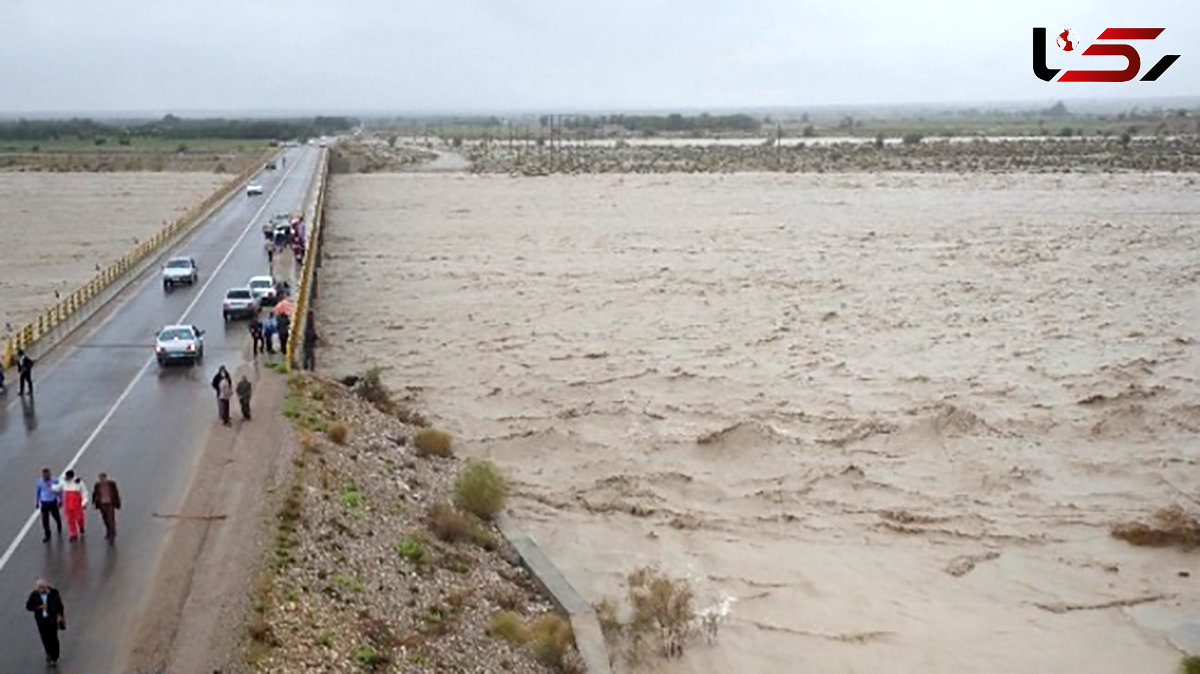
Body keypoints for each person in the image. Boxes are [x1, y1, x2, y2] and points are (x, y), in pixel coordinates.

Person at [26, 578, 65, 667]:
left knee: (53, 638)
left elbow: (59, 605)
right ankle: (49, 653)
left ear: (46, 586)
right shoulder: (34, 595)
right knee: (45, 638)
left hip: (51, 620)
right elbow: (28, 607)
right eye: (39, 588)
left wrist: (61, 617)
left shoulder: (53, 593)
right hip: (41, 621)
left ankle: (54, 657)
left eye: (42, 587)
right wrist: (39, 607)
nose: (41, 589)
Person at [92, 472, 121, 541]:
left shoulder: (111, 484)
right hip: (102, 505)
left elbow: (116, 493)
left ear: (106, 478)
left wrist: (118, 502)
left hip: (110, 504)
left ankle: (112, 534)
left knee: (111, 519)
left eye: (103, 478)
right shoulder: (97, 485)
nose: (102, 479)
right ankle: (108, 531)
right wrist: (94, 502)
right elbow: (95, 494)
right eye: (100, 478)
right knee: (105, 519)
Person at [61, 471, 88, 541]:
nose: (67, 478)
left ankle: (81, 526)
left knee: (79, 518)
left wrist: (84, 502)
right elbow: (58, 487)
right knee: (70, 519)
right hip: (67, 503)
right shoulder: (64, 482)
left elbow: (84, 492)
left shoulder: (78, 482)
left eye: (68, 477)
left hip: (77, 503)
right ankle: (73, 534)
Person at [35, 468, 61, 543]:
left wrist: (60, 500)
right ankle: (47, 535)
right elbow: (38, 492)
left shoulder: (55, 480)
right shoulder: (40, 482)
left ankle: (59, 524)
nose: (45, 477)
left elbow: (59, 491)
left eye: (47, 475)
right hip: (44, 503)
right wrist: (37, 502)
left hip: (53, 502)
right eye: (44, 475)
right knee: (45, 520)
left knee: (56, 516)